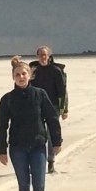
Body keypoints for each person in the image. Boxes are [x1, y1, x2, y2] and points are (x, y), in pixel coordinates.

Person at [0, 58, 63, 191]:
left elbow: (52, 118)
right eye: (17, 74)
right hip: (17, 147)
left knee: (39, 182)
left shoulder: (40, 94)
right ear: (13, 77)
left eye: (24, 73)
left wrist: (56, 141)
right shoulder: (7, 99)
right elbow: (2, 126)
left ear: (30, 75)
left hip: (38, 145)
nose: (21, 77)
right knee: (23, 183)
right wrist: (2, 150)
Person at [28, 44, 70, 173]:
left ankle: (51, 161)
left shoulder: (55, 71)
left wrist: (64, 110)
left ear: (49, 56)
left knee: (52, 134)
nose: (42, 57)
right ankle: (37, 161)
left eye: (44, 55)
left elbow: (62, 92)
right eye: (40, 55)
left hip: (53, 107)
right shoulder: (33, 71)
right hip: (37, 106)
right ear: (37, 56)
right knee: (37, 134)